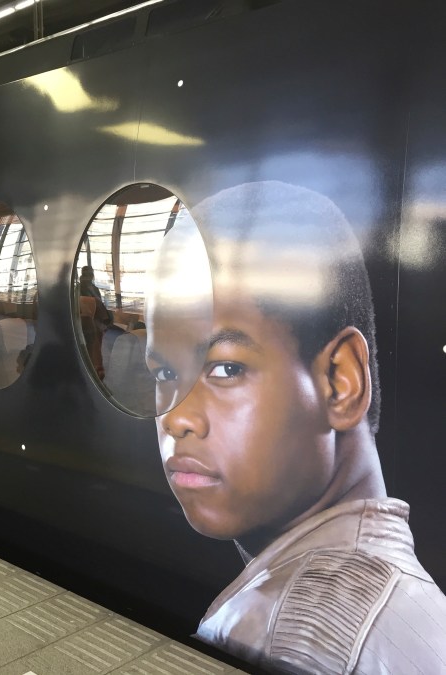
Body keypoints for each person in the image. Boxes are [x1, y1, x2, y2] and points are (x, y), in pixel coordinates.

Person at [145, 181, 446, 674]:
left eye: (226, 368)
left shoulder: (275, 635)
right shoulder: (409, 599)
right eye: (163, 374)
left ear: (340, 382)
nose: (176, 417)